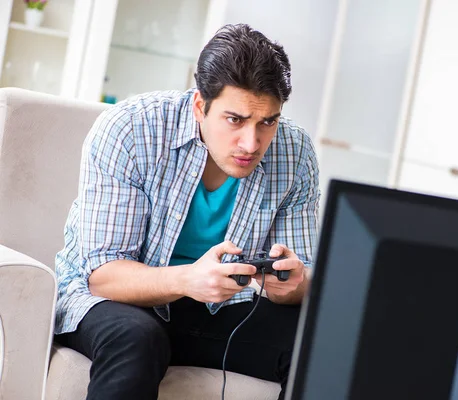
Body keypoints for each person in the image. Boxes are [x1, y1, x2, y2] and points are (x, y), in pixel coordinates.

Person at [54, 23, 320, 400]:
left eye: (267, 122)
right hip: (112, 303)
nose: (252, 142)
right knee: (137, 337)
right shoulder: (130, 128)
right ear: (200, 106)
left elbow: (303, 278)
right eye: (235, 119)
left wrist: (293, 284)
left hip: (224, 307)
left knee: (322, 343)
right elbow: (104, 276)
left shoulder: (295, 152)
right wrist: (188, 280)